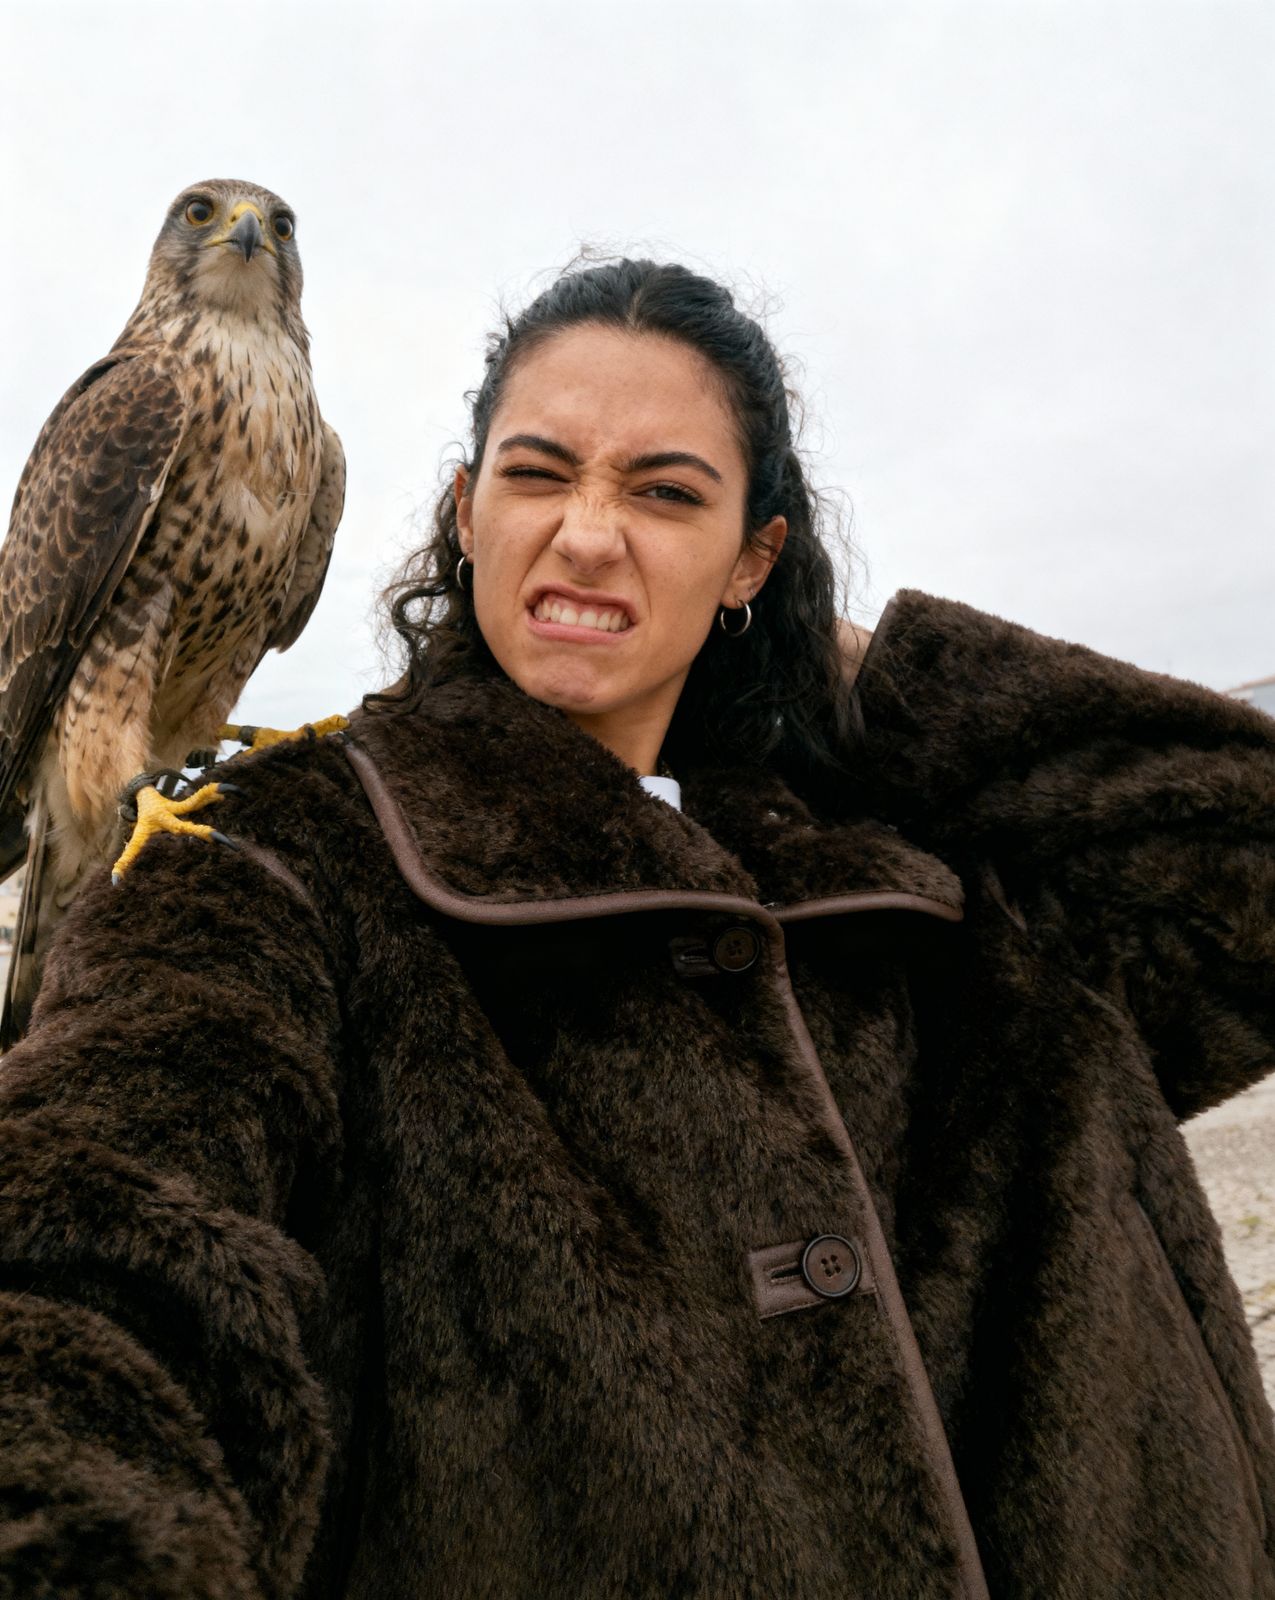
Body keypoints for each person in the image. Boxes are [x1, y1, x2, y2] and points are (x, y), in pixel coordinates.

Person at [0, 258, 1272, 1600]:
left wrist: (852, 676)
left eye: (667, 493)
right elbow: (87, 1262)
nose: (590, 535)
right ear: (465, 515)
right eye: (538, 477)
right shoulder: (279, 861)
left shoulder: (930, 881)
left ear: (755, 556)